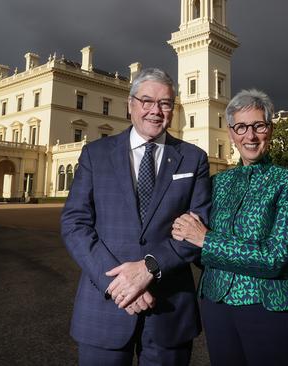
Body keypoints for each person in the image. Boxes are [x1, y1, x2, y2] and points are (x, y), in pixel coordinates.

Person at [61, 68, 211, 366]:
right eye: (146, 101)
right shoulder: (96, 154)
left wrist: (149, 269)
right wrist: (120, 284)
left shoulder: (194, 158)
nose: (155, 111)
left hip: (168, 307)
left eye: (165, 103)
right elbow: (75, 223)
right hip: (107, 303)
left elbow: (198, 228)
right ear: (130, 105)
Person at [172, 89, 288, 366]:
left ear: (269, 129)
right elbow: (198, 250)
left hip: (270, 305)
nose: (251, 135)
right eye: (242, 127)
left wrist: (207, 241)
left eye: (259, 125)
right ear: (232, 133)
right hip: (217, 303)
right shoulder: (218, 183)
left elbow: (276, 258)